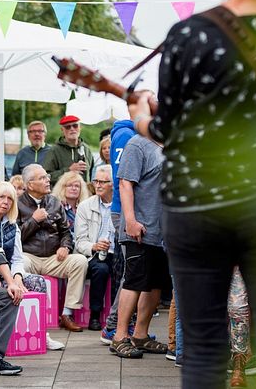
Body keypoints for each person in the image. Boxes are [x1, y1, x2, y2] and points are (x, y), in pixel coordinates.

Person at [126, 0, 256, 386]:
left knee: (203, 348)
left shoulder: (190, 34)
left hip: (198, 203)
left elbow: (169, 130)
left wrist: (141, 117)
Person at [0, 181, 65, 352]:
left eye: (10, 199)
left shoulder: (12, 225)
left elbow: (17, 258)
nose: (6, 202)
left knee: (38, 282)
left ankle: (41, 335)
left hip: (8, 273)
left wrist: (17, 278)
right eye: (1, 197)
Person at [109, 135, 168, 359]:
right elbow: (124, 183)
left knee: (154, 286)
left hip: (162, 232)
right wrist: (131, 221)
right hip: (139, 229)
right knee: (134, 281)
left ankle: (140, 335)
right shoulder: (137, 144)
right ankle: (120, 336)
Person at [17, 164, 87, 332]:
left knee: (80, 261)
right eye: (42, 178)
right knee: (19, 267)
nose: (48, 180)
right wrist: (34, 221)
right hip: (29, 256)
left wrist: (65, 246)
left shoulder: (55, 202)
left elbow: (65, 232)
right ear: (30, 184)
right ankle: (25, 316)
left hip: (53, 258)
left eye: (47, 176)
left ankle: (67, 314)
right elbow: (14, 238)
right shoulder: (18, 204)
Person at [100, 119, 136, 344]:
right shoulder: (124, 134)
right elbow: (124, 178)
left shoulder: (126, 133)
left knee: (134, 273)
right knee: (131, 273)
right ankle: (114, 325)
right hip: (124, 211)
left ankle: (126, 325)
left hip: (127, 211)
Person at [74, 165, 116, 331]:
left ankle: (120, 317)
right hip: (93, 255)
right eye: (95, 181)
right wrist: (94, 246)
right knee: (100, 269)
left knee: (123, 269)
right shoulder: (85, 206)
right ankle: (95, 316)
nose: (97, 185)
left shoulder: (121, 205)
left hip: (117, 252)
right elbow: (79, 241)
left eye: (102, 182)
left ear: (113, 184)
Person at [43, 115, 95, 185]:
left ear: (80, 128)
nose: (72, 129)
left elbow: (91, 174)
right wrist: (68, 170)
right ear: (62, 130)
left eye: (75, 126)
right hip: (61, 193)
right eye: (68, 127)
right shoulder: (54, 150)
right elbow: (46, 176)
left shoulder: (86, 149)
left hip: (84, 193)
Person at [50, 171, 90, 237]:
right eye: (70, 185)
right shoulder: (55, 207)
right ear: (62, 188)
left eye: (77, 186)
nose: (74, 188)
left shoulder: (85, 208)